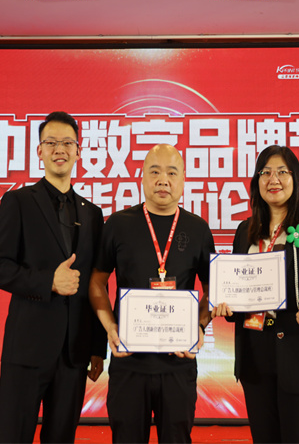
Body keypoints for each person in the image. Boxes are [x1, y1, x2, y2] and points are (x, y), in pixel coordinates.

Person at [0, 111, 107, 443]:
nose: (59, 149)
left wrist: (97, 347)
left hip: (74, 354)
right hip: (27, 349)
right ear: (39, 151)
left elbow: (97, 283)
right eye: (51, 142)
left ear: (79, 151)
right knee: (14, 436)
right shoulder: (18, 202)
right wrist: (48, 282)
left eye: (67, 142)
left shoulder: (93, 215)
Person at [88, 144, 215, 443]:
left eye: (172, 173)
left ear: (183, 180)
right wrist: (110, 328)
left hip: (178, 363)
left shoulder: (198, 229)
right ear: (142, 178)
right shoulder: (118, 224)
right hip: (129, 361)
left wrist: (199, 327)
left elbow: (212, 290)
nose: (163, 180)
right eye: (154, 172)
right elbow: (96, 282)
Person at [212, 145, 299, 443]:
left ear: (296, 179)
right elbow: (237, 286)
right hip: (255, 355)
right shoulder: (244, 231)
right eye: (265, 172)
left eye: (282, 171)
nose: (273, 179)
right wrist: (226, 305)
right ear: (256, 181)